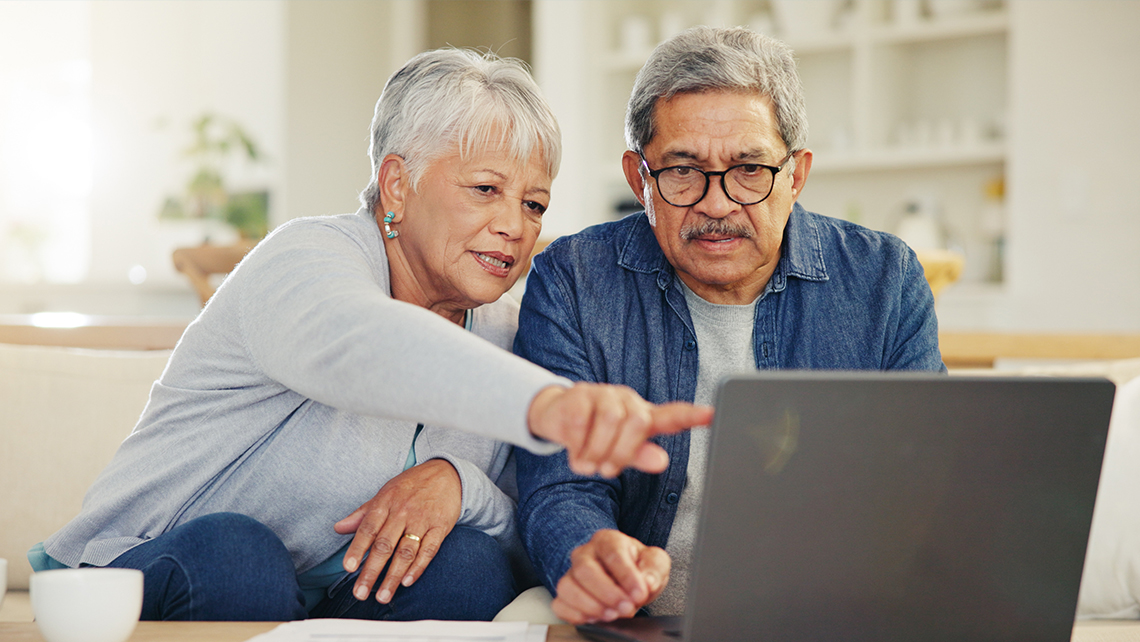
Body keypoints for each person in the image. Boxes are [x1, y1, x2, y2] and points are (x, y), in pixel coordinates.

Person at [30, 48, 711, 622]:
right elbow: (362, 345)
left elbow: (525, 519)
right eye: (484, 189)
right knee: (242, 556)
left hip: (329, 596)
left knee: (470, 566)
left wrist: (457, 482)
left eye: (533, 203)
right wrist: (549, 404)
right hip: (150, 569)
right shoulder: (305, 261)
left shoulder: (505, 331)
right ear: (396, 184)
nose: (516, 224)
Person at [514, 26, 946, 625]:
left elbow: (923, 480)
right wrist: (588, 553)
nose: (717, 204)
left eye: (748, 169)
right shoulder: (573, 280)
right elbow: (559, 486)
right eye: (683, 171)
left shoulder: (883, 279)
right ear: (640, 181)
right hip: (642, 624)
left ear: (795, 175)